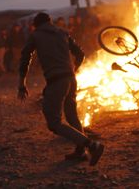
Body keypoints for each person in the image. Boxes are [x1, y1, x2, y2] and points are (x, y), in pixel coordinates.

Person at [18, 12, 104, 166]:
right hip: (71, 79)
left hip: (56, 81)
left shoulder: (36, 35)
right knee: (72, 116)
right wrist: (74, 69)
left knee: (54, 122)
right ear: (50, 22)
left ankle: (92, 146)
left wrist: (21, 83)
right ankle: (80, 152)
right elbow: (80, 54)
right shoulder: (62, 32)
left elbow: (25, 58)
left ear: (35, 25)